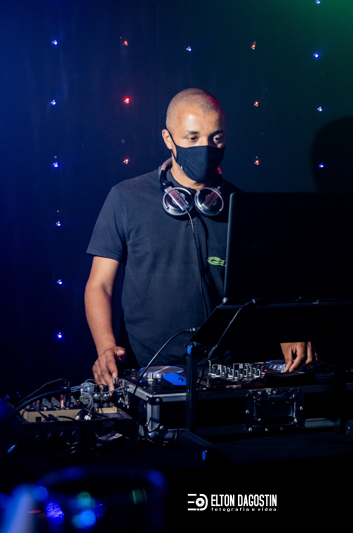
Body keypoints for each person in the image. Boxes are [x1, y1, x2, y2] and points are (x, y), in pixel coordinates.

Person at [85, 88, 317, 390]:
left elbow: (264, 285)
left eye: (215, 138)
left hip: (227, 368)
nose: (205, 148)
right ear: (168, 139)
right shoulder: (125, 198)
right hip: (147, 367)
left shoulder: (241, 205)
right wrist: (105, 347)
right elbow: (100, 285)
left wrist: (288, 329)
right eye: (192, 138)